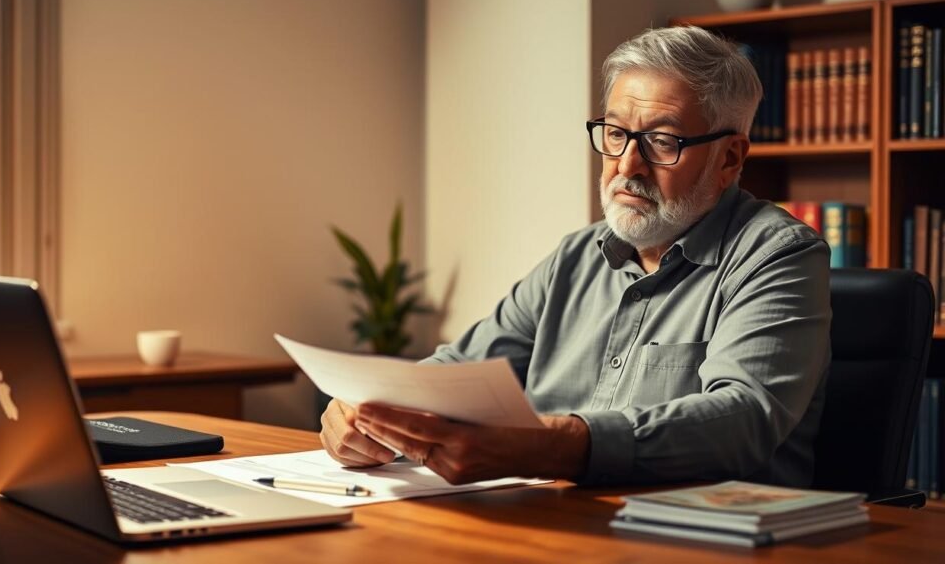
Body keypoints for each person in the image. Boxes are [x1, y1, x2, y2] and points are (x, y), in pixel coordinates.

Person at [320, 26, 831, 488]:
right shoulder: (576, 256)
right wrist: (370, 412)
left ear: (730, 158)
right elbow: (458, 373)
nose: (628, 164)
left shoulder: (779, 257)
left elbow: (742, 420)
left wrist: (555, 445)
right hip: (558, 522)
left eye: (662, 140)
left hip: (711, 538)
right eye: (615, 133)